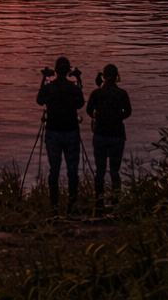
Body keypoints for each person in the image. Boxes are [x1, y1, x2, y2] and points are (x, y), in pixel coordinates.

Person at [36, 56, 85, 214]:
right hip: (71, 131)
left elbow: (39, 100)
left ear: (55, 71)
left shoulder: (49, 87)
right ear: (68, 71)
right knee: (72, 170)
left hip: (53, 132)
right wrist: (78, 80)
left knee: (54, 169)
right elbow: (80, 103)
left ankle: (54, 207)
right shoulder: (73, 88)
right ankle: (72, 206)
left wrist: (44, 78)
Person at [86, 63, 132, 209]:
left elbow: (88, 110)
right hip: (117, 135)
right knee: (114, 171)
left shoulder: (96, 93)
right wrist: (117, 118)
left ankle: (99, 203)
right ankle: (115, 202)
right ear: (117, 76)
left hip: (100, 134)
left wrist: (98, 119)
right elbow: (128, 112)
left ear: (103, 76)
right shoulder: (122, 93)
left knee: (100, 171)